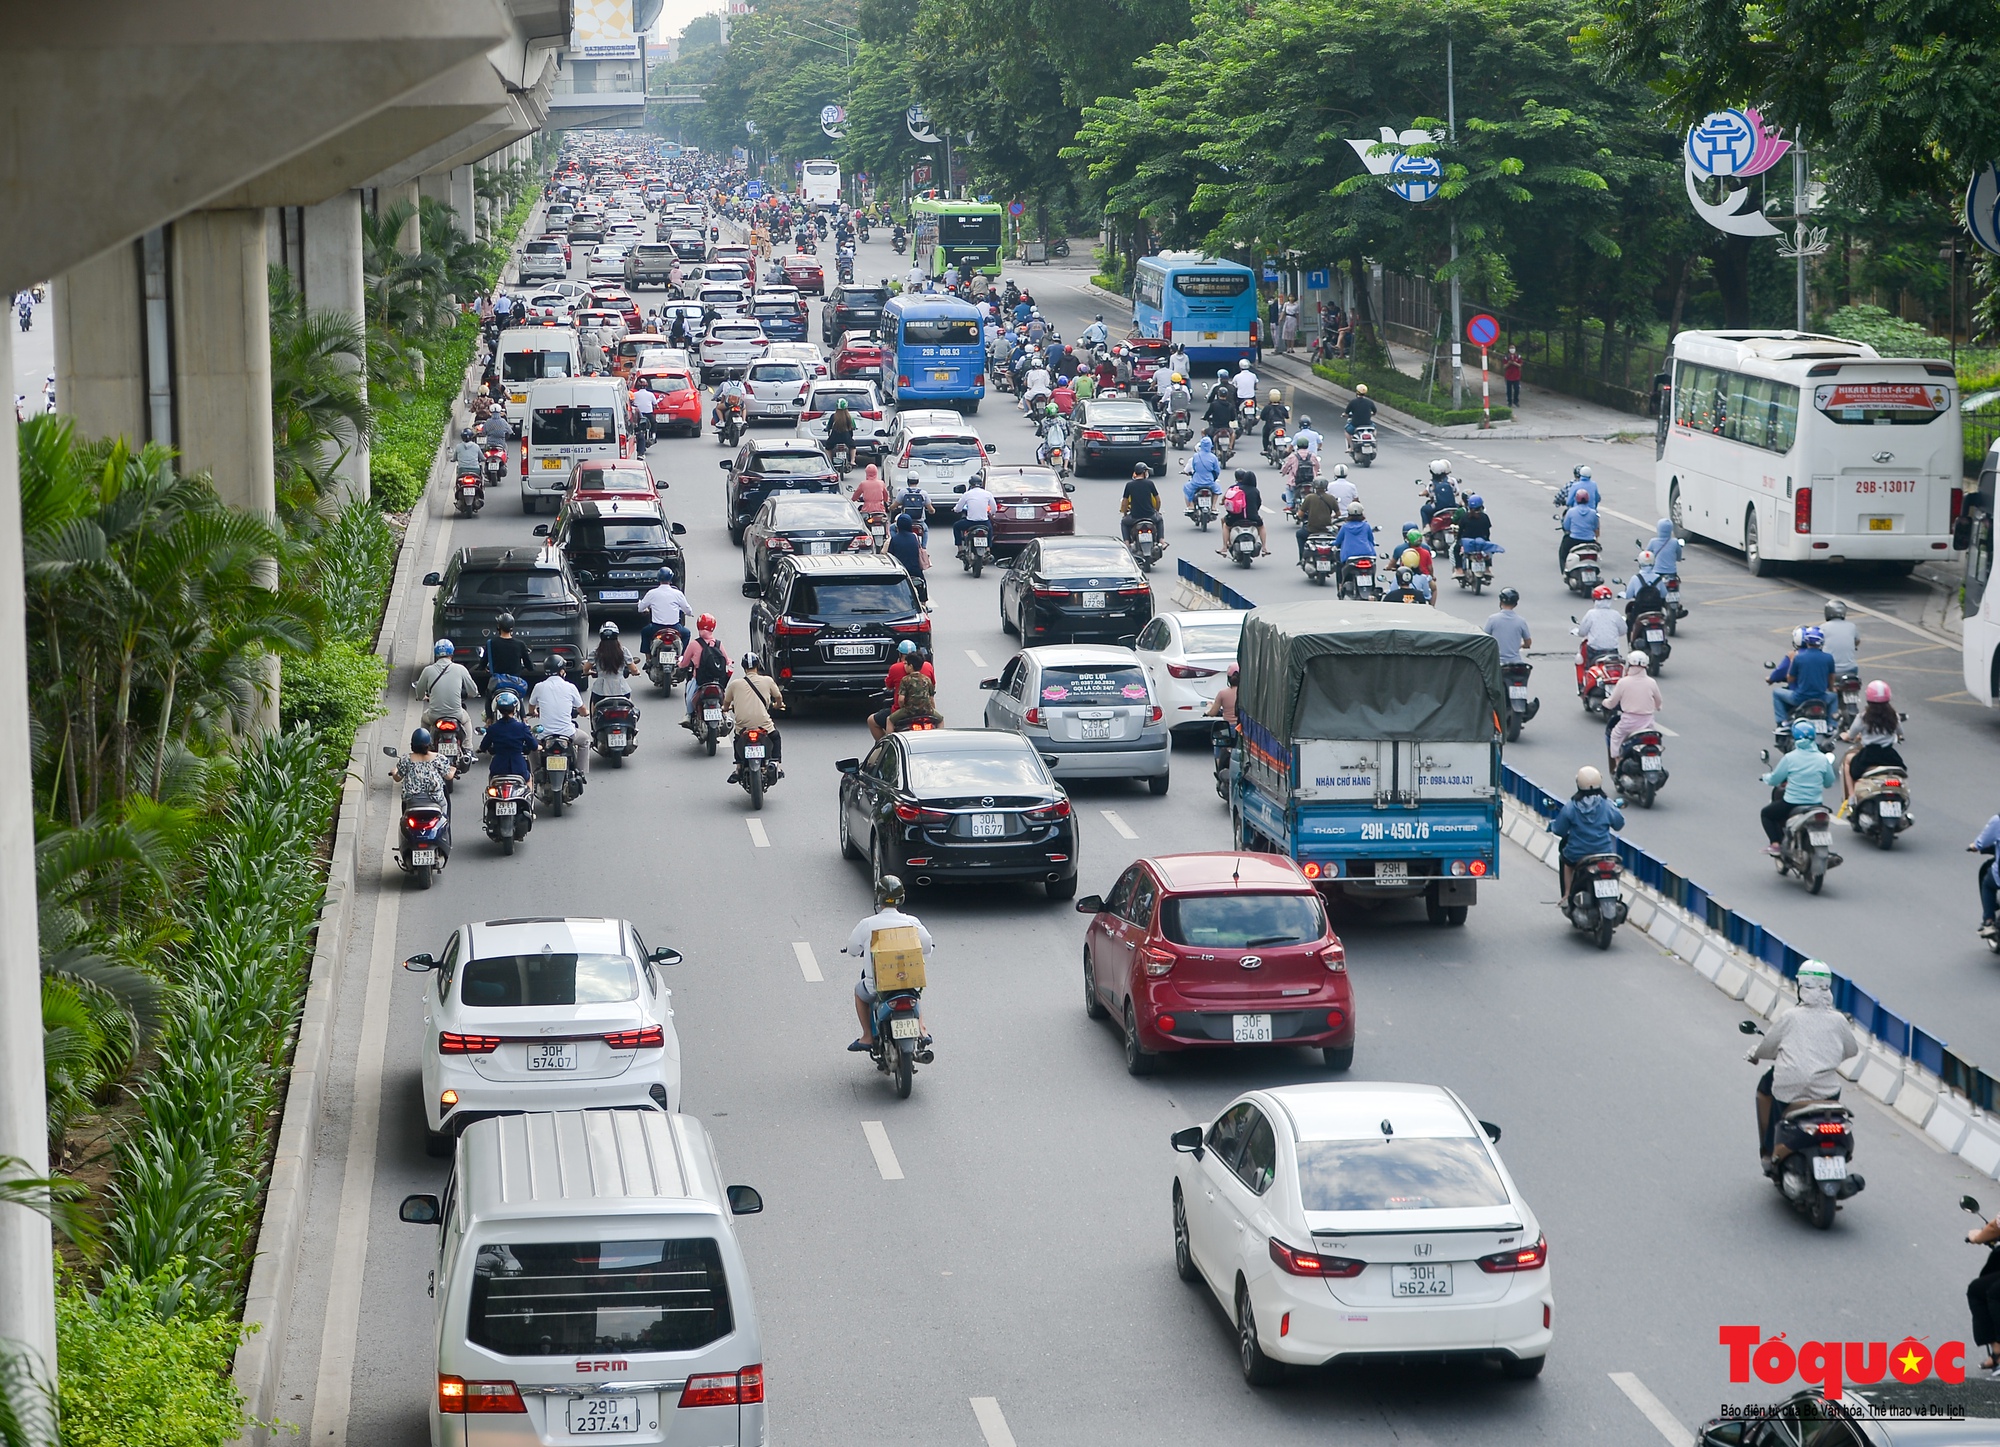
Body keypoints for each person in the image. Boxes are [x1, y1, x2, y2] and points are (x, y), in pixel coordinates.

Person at [1746, 960, 1858, 1172]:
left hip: (1790, 1088)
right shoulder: (1838, 1020)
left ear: (1801, 987)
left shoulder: (1791, 1017)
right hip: (1827, 1091)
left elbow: (1769, 1047)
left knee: (1774, 1107)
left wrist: (1755, 1054)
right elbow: (1851, 1050)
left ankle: (1771, 1153)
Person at [842, 875, 933, 1054]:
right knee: (914, 991)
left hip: (877, 988)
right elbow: (927, 944)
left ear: (879, 898)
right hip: (908, 983)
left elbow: (853, 948)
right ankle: (922, 1029)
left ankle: (867, 1036)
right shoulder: (912, 922)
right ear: (901, 898)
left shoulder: (867, 924)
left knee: (859, 993)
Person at [1761, 723, 1838, 856]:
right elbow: (1829, 782)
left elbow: (1775, 779)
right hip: (1815, 804)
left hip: (1792, 803)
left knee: (1766, 814)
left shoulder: (1790, 758)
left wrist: (1765, 777)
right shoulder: (1822, 759)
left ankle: (1775, 844)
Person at [1548, 765, 1625, 898]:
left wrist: (1552, 826)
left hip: (1578, 853)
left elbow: (1560, 830)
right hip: (1604, 851)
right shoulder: (1607, 805)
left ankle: (1567, 895)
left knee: (1566, 862)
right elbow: (1619, 824)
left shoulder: (1571, 807)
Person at [722, 651, 785, 781]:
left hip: (743, 727)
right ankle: (775, 763)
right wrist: (778, 705)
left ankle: (738, 767)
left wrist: (726, 709)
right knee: (775, 736)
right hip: (763, 725)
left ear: (744, 667)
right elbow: (778, 697)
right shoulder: (767, 680)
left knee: (737, 740)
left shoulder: (735, 684)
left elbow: (726, 703)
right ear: (758, 665)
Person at [1839, 681, 1905, 803]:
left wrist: (1845, 735)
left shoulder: (1863, 717)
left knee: (1847, 761)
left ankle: (1852, 797)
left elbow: (1851, 735)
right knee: (1901, 773)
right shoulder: (1893, 716)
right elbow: (1900, 732)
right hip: (1889, 755)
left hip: (1868, 755)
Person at [391, 727, 457, 844]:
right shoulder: (438, 758)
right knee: (444, 813)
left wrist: (394, 771)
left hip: (412, 801)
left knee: (404, 816)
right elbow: (448, 776)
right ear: (429, 744)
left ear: (412, 744)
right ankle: (445, 834)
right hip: (435, 800)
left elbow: (397, 778)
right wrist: (453, 769)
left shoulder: (406, 759)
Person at [527, 656, 588, 781]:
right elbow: (582, 708)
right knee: (585, 740)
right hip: (568, 733)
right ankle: (580, 772)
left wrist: (534, 712)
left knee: (530, 743)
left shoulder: (539, 687)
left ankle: (536, 771)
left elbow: (531, 707)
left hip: (544, 734)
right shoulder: (570, 687)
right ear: (561, 671)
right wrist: (585, 713)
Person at [1602, 651, 1664, 769]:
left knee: (1615, 736)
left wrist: (1604, 702)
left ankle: (1617, 763)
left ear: (1629, 665)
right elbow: (1659, 702)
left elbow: (1611, 703)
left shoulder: (1623, 682)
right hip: (1648, 723)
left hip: (1628, 722)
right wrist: (1658, 707)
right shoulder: (1651, 682)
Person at [1769, 625, 1837, 729]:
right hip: (1821, 697)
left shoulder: (1798, 657)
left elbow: (1790, 679)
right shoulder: (1828, 658)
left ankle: (1782, 722)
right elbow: (1831, 677)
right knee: (1834, 696)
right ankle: (1832, 724)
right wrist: (1831, 688)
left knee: (1776, 693)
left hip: (1800, 698)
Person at [416, 638, 483, 731]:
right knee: (467, 720)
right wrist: (472, 694)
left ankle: (424, 744)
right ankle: (468, 745)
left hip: (434, 716)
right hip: (456, 715)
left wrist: (422, 697)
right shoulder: (460, 669)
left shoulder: (427, 670)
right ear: (452, 654)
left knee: (424, 720)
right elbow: (473, 690)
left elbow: (419, 692)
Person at [680, 614, 731, 724]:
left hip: (700, 681)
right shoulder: (718, 644)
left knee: (689, 697)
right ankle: (726, 715)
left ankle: (688, 716)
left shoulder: (694, 644)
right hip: (717, 681)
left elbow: (684, 663)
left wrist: (680, 664)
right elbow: (727, 660)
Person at [478, 690, 537, 779]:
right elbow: (533, 746)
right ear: (515, 708)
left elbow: (483, 746)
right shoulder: (522, 727)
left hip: (498, 768)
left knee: (492, 784)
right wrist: (539, 747)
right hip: (519, 768)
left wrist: (481, 749)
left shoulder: (493, 728)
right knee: (529, 779)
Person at [1573, 585, 1626, 681]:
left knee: (1586, 666)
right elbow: (1623, 631)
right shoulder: (1616, 614)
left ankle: (1584, 683)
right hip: (1613, 651)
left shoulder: (1591, 614)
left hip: (1595, 651)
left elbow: (1582, 632)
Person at [638, 567, 692, 655]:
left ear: (658, 578)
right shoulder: (677, 594)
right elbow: (688, 610)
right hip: (675, 628)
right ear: (671, 579)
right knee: (687, 634)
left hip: (656, 628)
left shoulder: (652, 593)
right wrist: (689, 613)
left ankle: (648, 658)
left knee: (645, 632)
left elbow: (640, 608)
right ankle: (682, 658)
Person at [481, 615, 534, 706]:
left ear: (498, 627)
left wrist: (483, 668)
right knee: (519, 700)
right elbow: (529, 666)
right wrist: (529, 667)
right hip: (515, 683)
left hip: (497, 683)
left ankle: (489, 718)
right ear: (512, 627)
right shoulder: (520, 644)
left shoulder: (491, 643)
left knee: (489, 697)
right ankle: (523, 718)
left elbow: (483, 663)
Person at [1220, 469, 1267, 556]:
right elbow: (1258, 504)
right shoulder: (1255, 491)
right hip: (1252, 517)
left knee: (1226, 526)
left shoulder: (1236, 489)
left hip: (1236, 517)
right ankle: (1264, 547)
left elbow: (1228, 503)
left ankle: (1224, 547)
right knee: (1261, 526)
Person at [1294, 477, 1339, 560]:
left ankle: (1302, 557)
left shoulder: (1309, 497)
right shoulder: (1331, 498)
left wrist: (1298, 516)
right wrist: (1332, 516)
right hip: (1327, 529)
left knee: (1299, 534)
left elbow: (1300, 514)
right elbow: (1338, 514)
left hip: (1312, 530)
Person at [1483, 590, 1532, 663]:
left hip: (1496, 662)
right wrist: (1522, 645)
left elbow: (1484, 639)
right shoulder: (1521, 621)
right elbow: (1528, 643)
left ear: (1501, 602)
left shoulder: (1492, 619)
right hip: (1515, 663)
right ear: (1516, 604)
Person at [887, 513, 927, 602]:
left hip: (901, 571)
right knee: (923, 584)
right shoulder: (914, 537)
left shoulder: (895, 539)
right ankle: (924, 603)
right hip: (915, 570)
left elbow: (890, 555)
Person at [1624, 558, 1668, 638]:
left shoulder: (1635, 578)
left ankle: (1631, 643)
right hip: (1656, 609)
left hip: (1640, 610)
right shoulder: (1658, 578)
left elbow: (1628, 595)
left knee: (1630, 621)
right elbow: (1664, 594)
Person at [1559, 487, 1600, 571]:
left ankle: (1565, 571)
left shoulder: (1571, 511)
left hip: (1574, 540)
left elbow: (1566, 526)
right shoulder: (1593, 513)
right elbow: (1595, 527)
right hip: (1590, 541)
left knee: (1562, 553)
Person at [953, 474, 998, 550]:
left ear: (970, 484)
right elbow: (994, 509)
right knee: (990, 530)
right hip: (984, 522)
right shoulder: (988, 494)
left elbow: (958, 509)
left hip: (971, 522)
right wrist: (991, 513)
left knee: (956, 526)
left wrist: (955, 510)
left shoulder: (967, 494)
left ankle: (960, 549)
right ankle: (988, 549)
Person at [1821, 599, 1860, 675]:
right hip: (1851, 669)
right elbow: (1857, 641)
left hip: (1830, 670)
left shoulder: (1822, 628)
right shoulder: (1852, 626)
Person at [1184, 435, 1222, 504]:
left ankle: (1191, 506)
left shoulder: (1196, 456)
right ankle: (1213, 506)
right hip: (1210, 482)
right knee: (1217, 488)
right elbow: (1217, 470)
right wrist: (1213, 478)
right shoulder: (1213, 457)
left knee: (1186, 487)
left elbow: (1194, 468)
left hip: (1196, 482)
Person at [630, 379, 658, 452]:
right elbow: (655, 404)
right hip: (648, 414)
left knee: (635, 427)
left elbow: (632, 403)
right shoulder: (650, 394)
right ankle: (653, 436)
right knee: (654, 423)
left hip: (638, 415)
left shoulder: (634, 394)